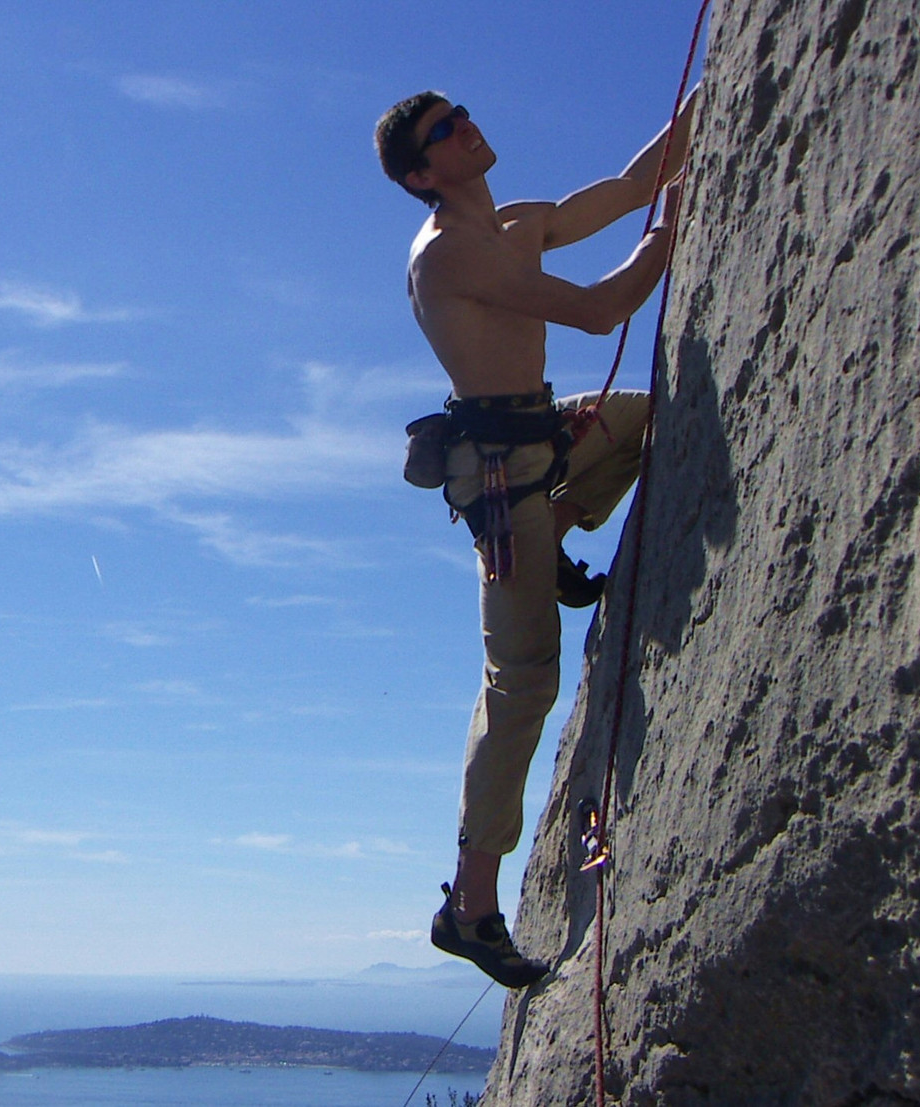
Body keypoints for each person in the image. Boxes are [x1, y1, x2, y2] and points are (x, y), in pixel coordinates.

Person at [373, 88, 698, 988]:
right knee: (521, 683)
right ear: (421, 174)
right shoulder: (447, 255)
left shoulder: (513, 222)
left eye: (461, 112)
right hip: (502, 480)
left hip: (540, 438)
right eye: (444, 131)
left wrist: (699, 109)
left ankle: (555, 542)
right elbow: (597, 310)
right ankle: (470, 905)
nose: (466, 126)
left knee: (634, 419)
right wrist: (669, 236)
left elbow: (628, 185)